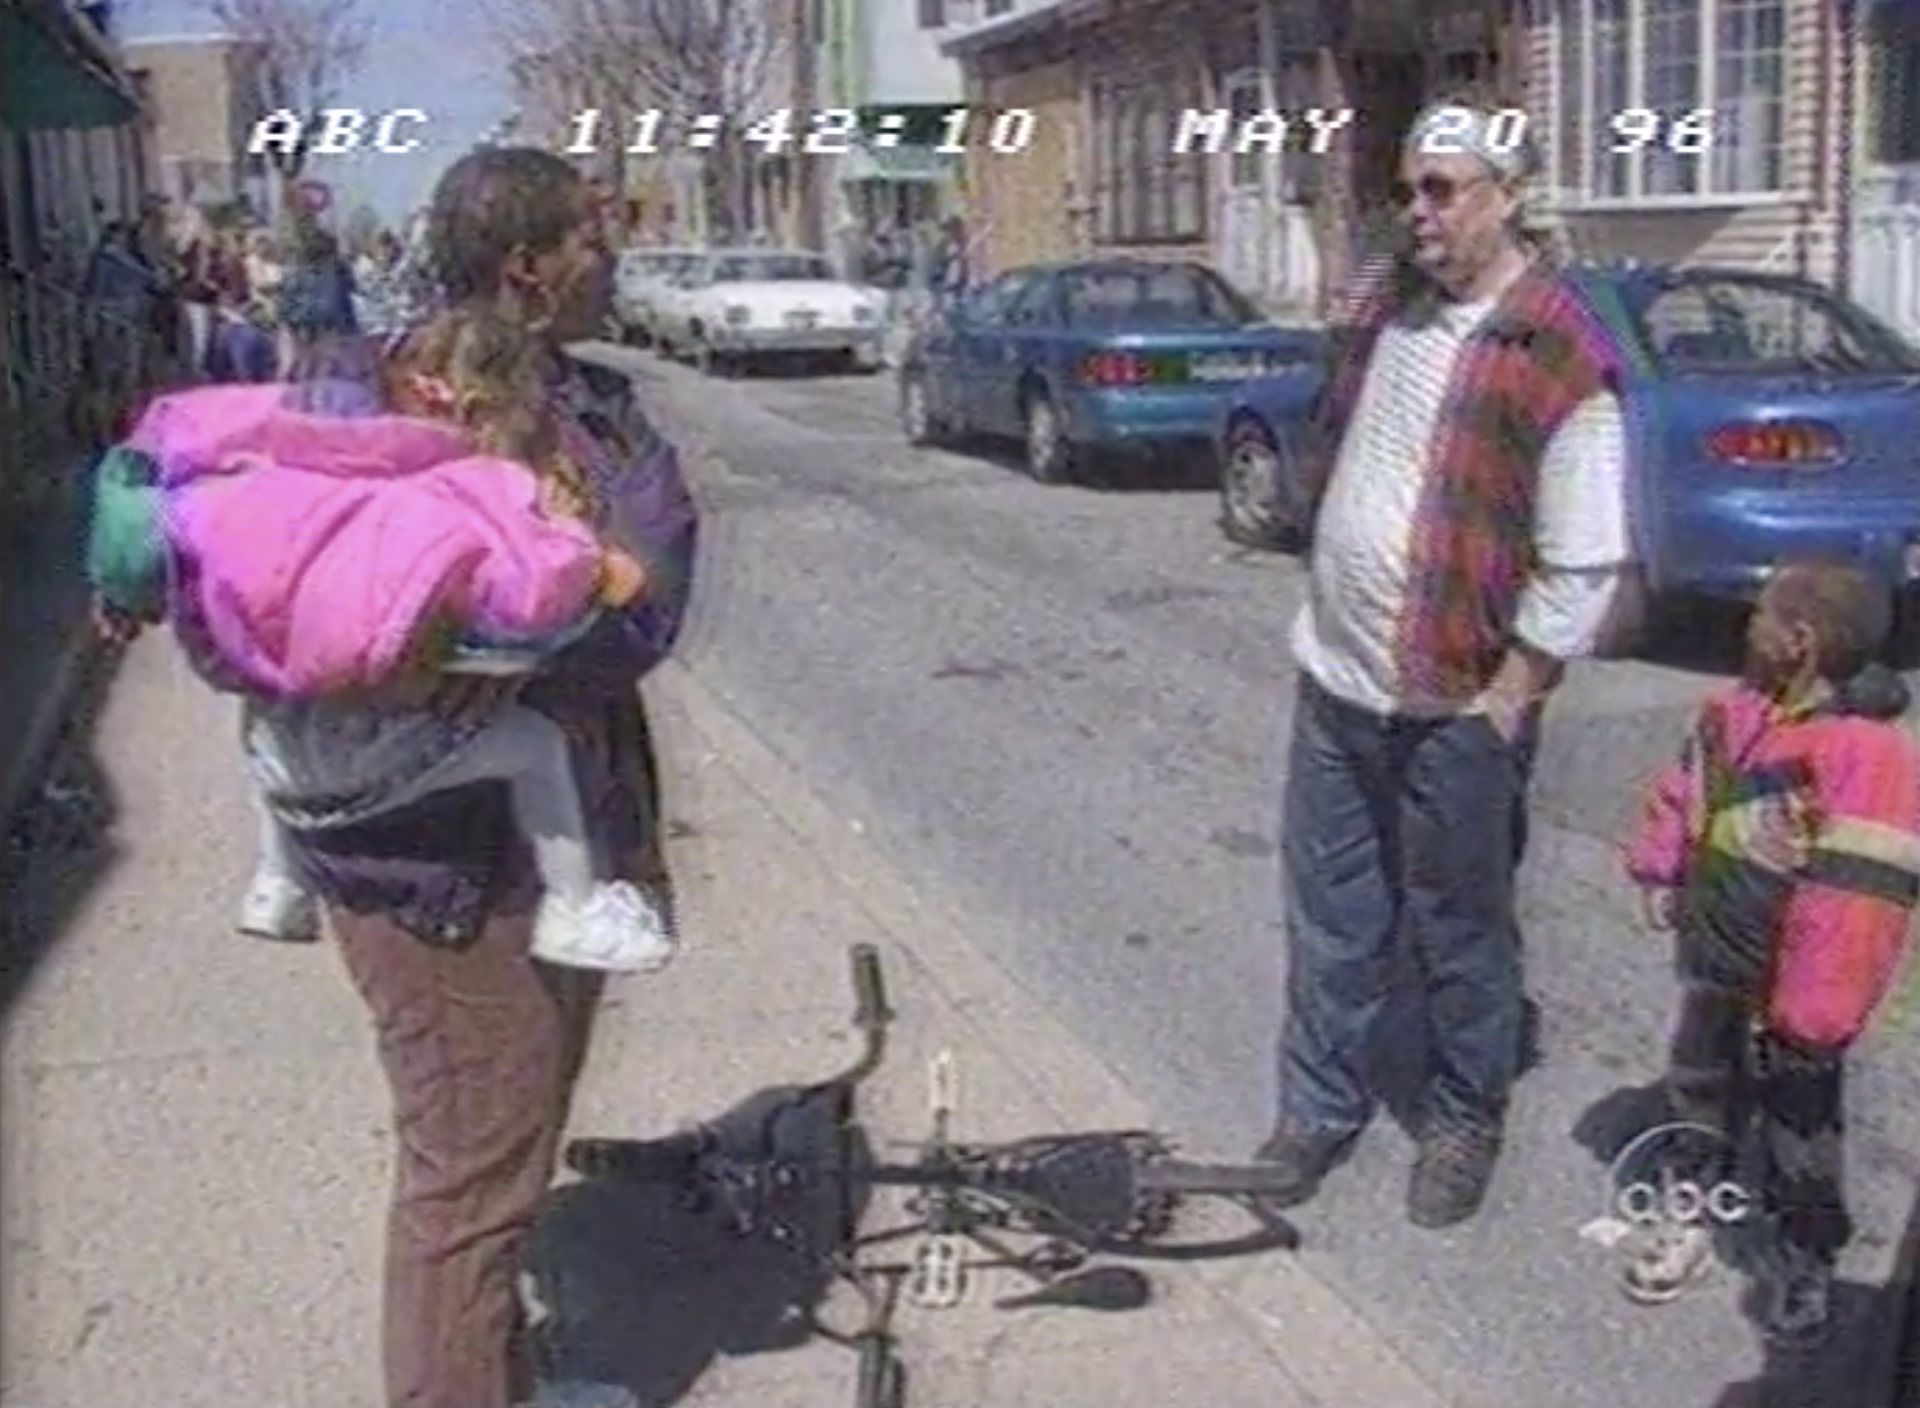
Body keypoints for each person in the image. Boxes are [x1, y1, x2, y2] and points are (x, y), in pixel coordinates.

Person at [99, 146, 697, 1408]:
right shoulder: (372, 408)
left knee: (508, 1141)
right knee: (471, 1171)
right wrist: (415, 644)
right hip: (429, 869)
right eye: (596, 235)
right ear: (530, 264)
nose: (615, 255)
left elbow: (643, 616)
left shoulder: (564, 411)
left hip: (544, 833)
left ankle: (505, 1378)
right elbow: (227, 599)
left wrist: (445, 643)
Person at [1250, 88, 1636, 1228]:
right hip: (1337, 680)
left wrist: (1515, 693)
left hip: (1460, 702)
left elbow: (1586, 560)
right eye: (1406, 186)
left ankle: (1466, 1114)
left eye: (1441, 188)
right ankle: (1316, 1110)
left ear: (1508, 198)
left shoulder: (1556, 345)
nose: (1415, 209)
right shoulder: (1389, 313)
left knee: (1461, 927)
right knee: (1331, 912)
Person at [100, 305, 675, 976]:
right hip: (379, 773)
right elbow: (538, 600)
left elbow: (183, 575)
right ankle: (575, 908)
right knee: (538, 749)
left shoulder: (284, 479)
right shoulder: (475, 499)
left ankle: (276, 884)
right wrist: (592, 559)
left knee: (277, 690)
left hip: (280, 769)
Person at [1621, 561, 1920, 1343]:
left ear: (1800, 642)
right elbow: (1683, 789)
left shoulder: (1868, 756)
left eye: (1759, 616)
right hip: (1720, 956)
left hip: (1801, 982)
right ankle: (1692, 1198)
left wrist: (1814, 1012)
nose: (1745, 627)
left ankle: (1803, 1256)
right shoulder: (1731, 712)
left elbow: (1863, 896)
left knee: (1801, 1127)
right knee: (1699, 1085)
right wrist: (1660, 866)